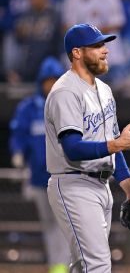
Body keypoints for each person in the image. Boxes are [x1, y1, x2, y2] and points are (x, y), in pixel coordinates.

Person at [44, 23, 130, 272]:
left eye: (103, 44)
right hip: (74, 184)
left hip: (101, 185)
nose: (104, 50)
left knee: (85, 265)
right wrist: (117, 143)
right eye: (96, 46)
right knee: (98, 264)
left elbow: (114, 144)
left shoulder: (104, 90)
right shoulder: (65, 92)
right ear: (77, 53)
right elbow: (72, 148)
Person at [9, 56, 70, 273]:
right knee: (50, 226)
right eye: (48, 80)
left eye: (55, 80)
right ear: (41, 81)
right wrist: (17, 153)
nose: (51, 85)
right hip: (38, 178)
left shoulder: (70, 105)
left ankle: (62, 268)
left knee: (65, 226)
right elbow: (19, 134)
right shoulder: (29, 107)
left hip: (65, 178)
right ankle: (58, 267)